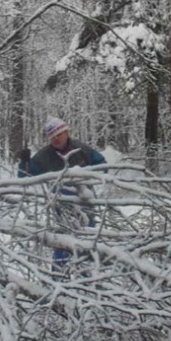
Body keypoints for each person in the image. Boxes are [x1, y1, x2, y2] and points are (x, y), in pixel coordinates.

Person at [18, 117, 106, 273]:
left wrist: (86, 177)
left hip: (85, 205)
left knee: (87, 245)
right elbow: (24, 177)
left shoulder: (81, 149)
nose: (56, 139)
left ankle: (88, 282)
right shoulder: (44, 156)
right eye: (52, 137)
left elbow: (103, 166)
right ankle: (59, 281)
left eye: (59, 134)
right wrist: (24, 161)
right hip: (60, 207)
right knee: (61, 245)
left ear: (66, 132)